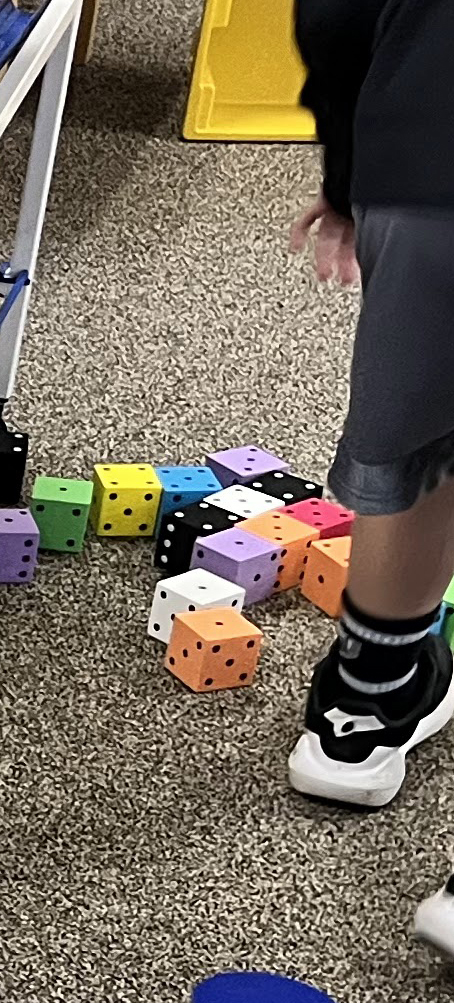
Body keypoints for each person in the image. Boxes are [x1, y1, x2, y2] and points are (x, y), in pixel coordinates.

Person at [287, 0, 454, 815]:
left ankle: (367, 700)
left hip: (427, 161)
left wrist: (351, 176)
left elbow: (335, 15)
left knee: (423, 439)